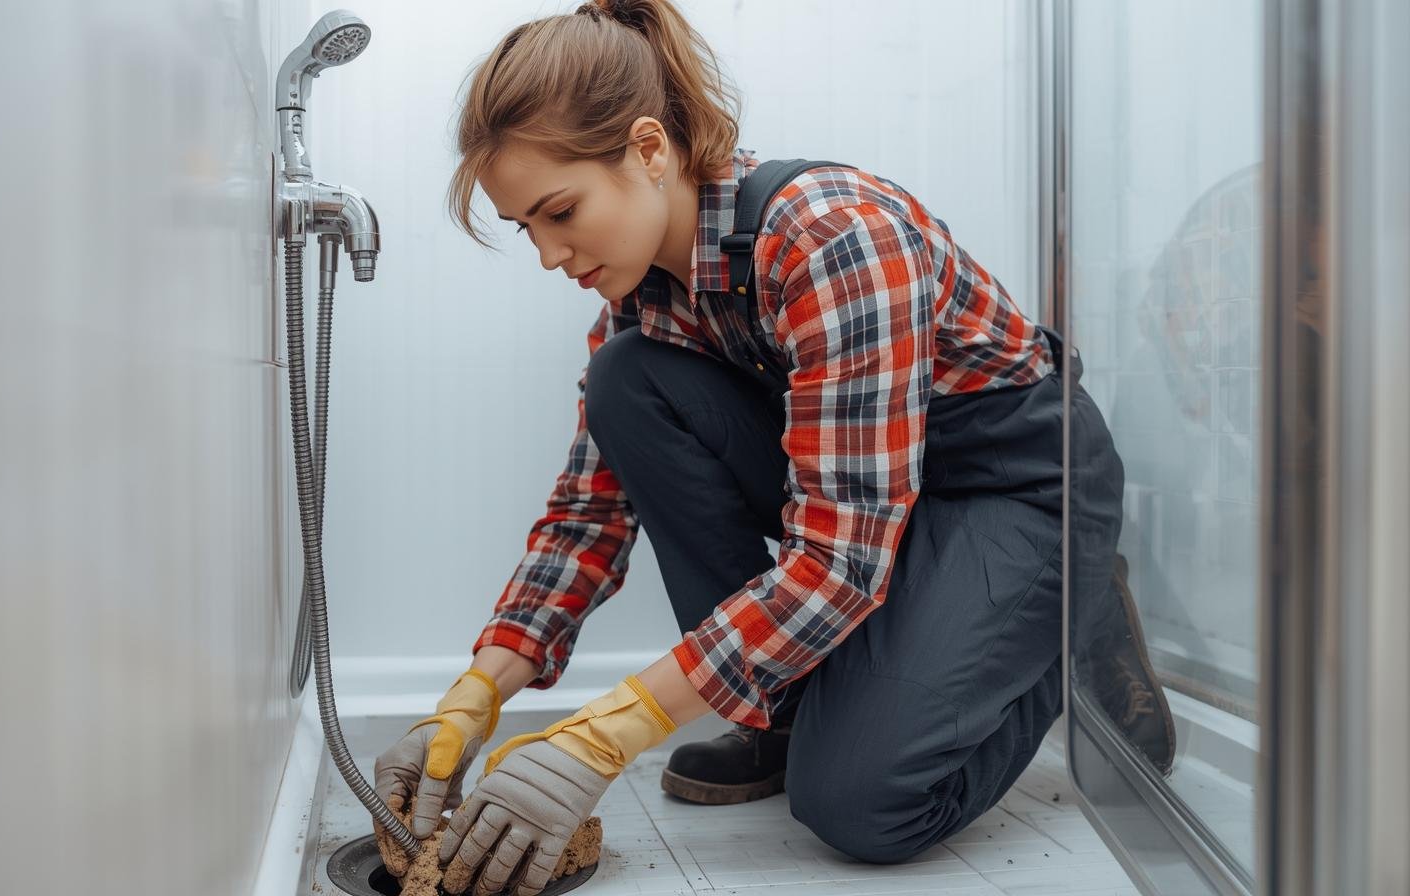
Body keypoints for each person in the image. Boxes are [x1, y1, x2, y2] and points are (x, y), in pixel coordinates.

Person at [373, 2, 1174, 894]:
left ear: (649, 149)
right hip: (875, 508)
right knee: (627, 386)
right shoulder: (642, 304)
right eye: (527, 228)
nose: (551, 255)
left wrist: (611, 729)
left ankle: (1071, 603)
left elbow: (838, 561)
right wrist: (478, 690)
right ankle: (790, 713)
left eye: (560, 212)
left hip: (1013, 488)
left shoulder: (835, 238)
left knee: (860, 807)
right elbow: (587, 516)